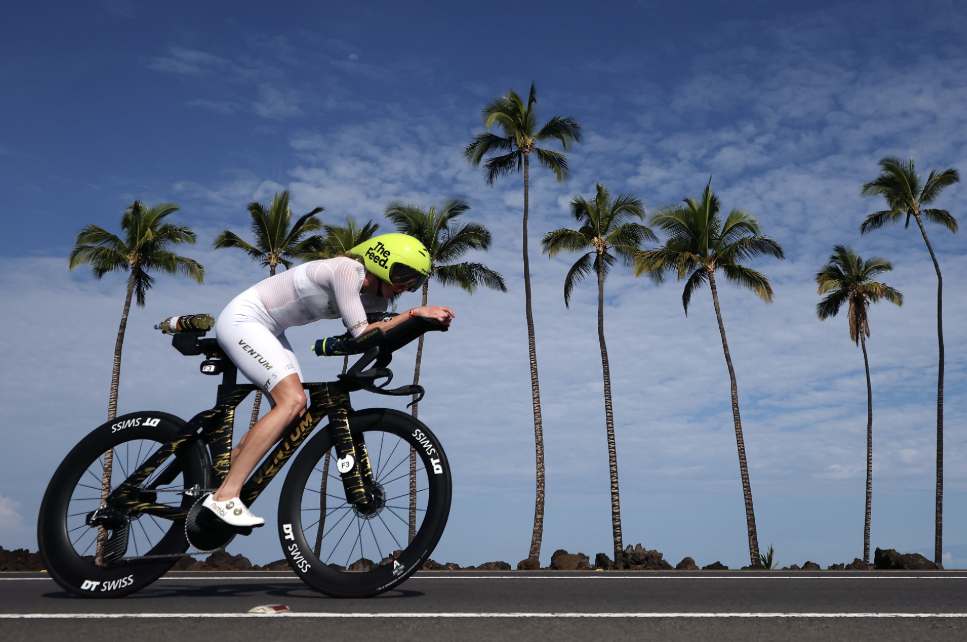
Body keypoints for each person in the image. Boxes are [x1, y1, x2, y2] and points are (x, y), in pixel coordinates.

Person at [207, 233, 454, 527]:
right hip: (245, 320)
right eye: (406, 274)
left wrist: (421, 325)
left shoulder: (376, 299)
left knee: (295, 413)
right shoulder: (347, 270)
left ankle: (218, 476)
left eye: (417, 281)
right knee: (293, 401)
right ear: (382, 261)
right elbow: (364, 333)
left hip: (272, 329)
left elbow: (365, 339)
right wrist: (415, 313)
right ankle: (225, 496)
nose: (408, 284)